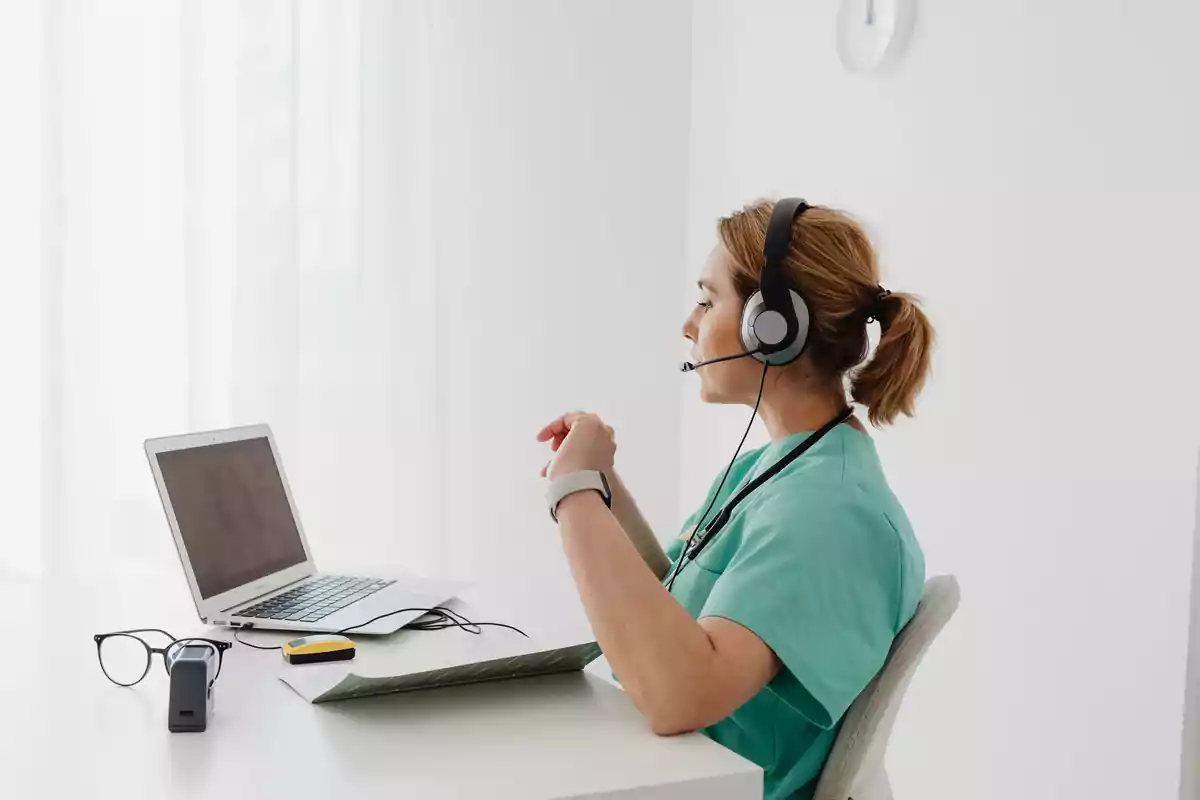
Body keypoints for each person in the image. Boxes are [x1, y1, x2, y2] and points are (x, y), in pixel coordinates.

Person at [536, 198, 934, 800]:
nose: (688, 324)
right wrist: (603, 487)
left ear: (772, 324)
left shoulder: (828, 512)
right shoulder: (783, 468)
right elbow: (677, 610)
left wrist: (575, 497)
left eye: (706, 298)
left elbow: (680, 694)